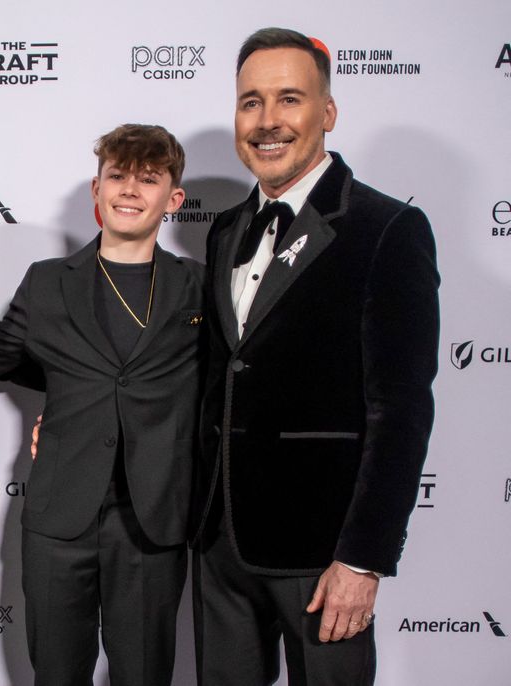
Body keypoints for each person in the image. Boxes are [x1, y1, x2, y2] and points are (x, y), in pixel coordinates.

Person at [191, 28, 440, 686]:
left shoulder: (387, 229)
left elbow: (403, 408)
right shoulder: (224, 230)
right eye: (251, 102)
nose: (268, 121)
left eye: (289, 99)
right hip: (219, 543)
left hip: (322, 553)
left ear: (326, 113)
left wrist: (363, 559)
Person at [0, 124, 203, 685]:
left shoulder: (198, 286)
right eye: (118, 176)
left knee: (145, 674)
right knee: (56, 674)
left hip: (152, 520)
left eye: (148, 179)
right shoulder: (49, 281)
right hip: (59, 518)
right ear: (96, 190)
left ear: (173, 199)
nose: (130, 189)